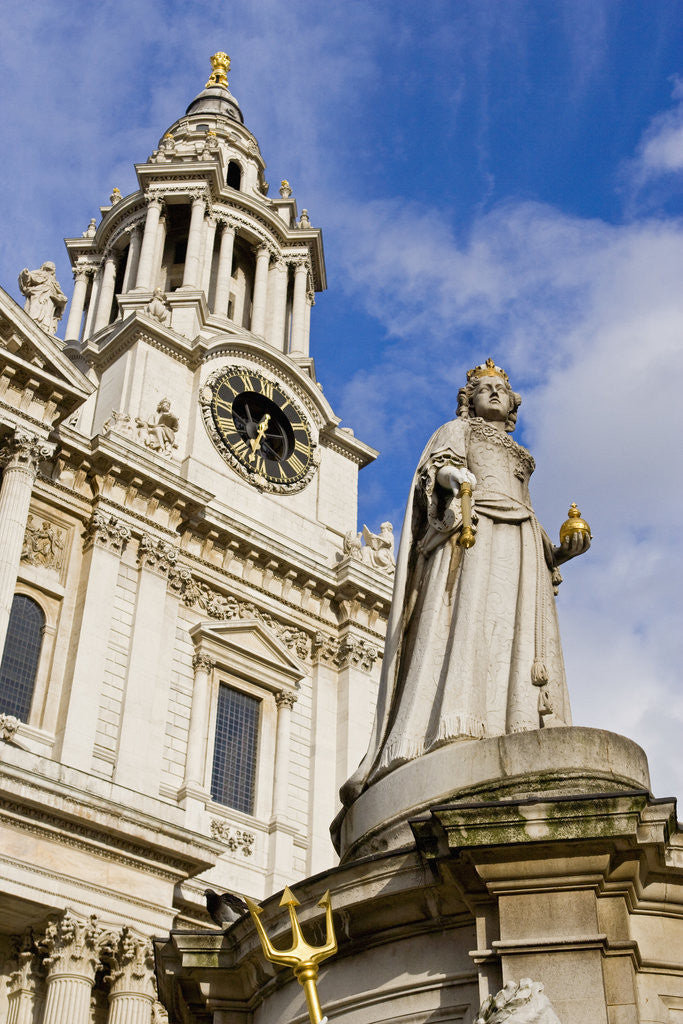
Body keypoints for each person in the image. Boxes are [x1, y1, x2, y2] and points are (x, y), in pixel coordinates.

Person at [340, 359, 590, 807]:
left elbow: (524, 503)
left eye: (500, 388)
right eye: (483, 388)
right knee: (470, 620)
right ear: (468, 400)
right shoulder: (458, 431)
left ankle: (514, 723)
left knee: (513, 631)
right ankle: (457, 723)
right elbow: (436, 471)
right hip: (475, 527)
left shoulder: (517, 452)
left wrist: (560, 552)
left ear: (512, 403)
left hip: (522, 538)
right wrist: (458, 479)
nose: (493, 392)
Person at [18, 262, 67, 335]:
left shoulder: (55, 282)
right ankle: (34, 322)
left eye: (53, 267)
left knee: (47, 313)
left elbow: (60, 295)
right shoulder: (39, 273)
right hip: (38, 295)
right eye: (50, 266)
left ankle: (45, 328)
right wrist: (25, 274)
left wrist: (59, 298)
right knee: (36, 310)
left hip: (50, 300)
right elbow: (29, 277)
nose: (52, 268)